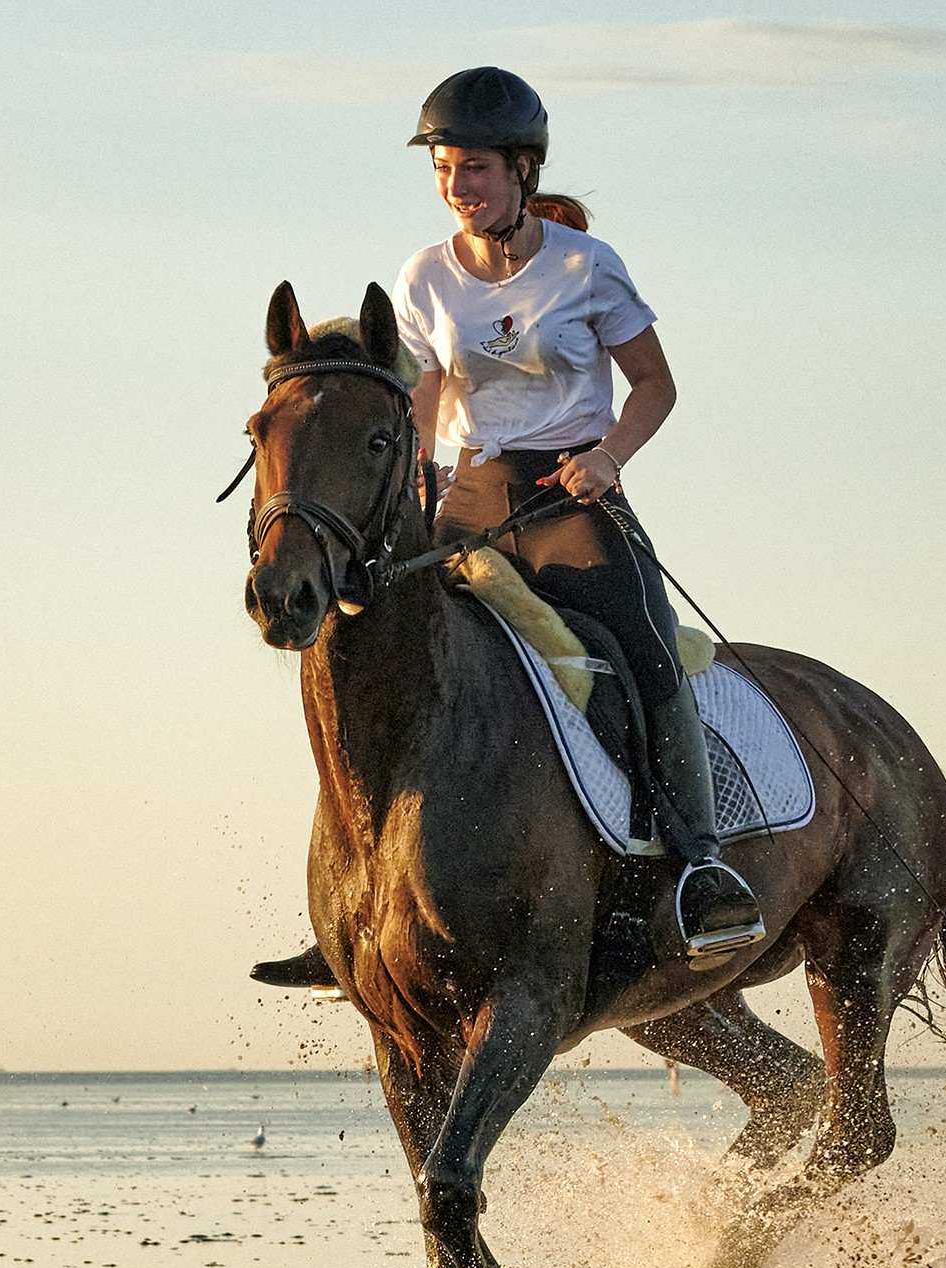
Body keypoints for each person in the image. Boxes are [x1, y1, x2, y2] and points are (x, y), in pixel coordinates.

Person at [255, 66, 762, 991]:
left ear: (523, 170)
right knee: (376, 650)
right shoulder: (423, 276)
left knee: (642, 654)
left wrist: (608, 456)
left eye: (475, 169)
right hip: (472, 495)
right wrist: (420, 476)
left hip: (570, 492)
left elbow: (656, 386)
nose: (457, 187)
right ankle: (363, 897)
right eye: (445, 170)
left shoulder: (585, 268)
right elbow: (426, 390)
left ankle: (700, 866)